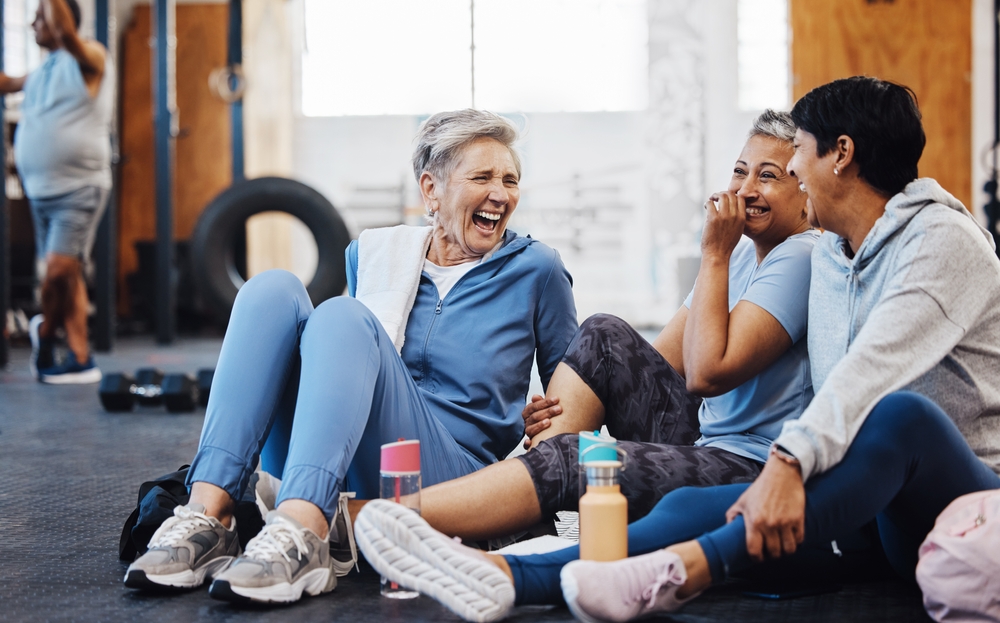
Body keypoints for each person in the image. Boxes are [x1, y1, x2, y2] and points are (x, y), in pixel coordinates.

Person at [354, 77, 1000, 623]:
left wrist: (785, 464)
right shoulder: (836, 250)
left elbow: (866, 374)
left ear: (841, 154)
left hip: (957, 496)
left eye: (794, 155)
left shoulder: (943, 242)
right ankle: (507, 571)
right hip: (863, 500)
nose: (792, 171)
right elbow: (667, 364)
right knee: (688, 503)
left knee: (900, 412)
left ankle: (663, 564)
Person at [123, 109, 578, 605]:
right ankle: (209, 516)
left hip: (454, 477)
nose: (501, 193)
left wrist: (545, 423)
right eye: (483, 177)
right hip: (347, 456)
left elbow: (575, 396)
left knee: (342, 316)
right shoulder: (373, 255)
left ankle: (303, 531)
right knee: (271, 289)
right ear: (431, 190)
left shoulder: (537, 269)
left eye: (510, 179)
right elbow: (362, 373)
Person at [410, 109, 819, 543]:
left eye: (769, 176)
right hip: (706, 440)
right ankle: (525, 497)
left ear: (805, 191)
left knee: (577, 459)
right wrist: (558, 410)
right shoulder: (739, 256)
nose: (746, 189)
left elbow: (705, 374)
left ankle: (399, 519)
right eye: (740, 172)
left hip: (753, 465)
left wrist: (713, 253)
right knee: (603, 334)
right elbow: (650, 370)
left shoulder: (800, 255)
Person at [0, 0, 113, 383]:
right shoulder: (40, 73)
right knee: (69, 275)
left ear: (61, 19)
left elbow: (66, 33)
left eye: (40, 16)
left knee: (58, 271)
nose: (33, 23)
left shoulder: (91, 57)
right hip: (40, 191)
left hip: (79, 188)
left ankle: (44, 335)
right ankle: (81, 357)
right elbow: (5, 83)